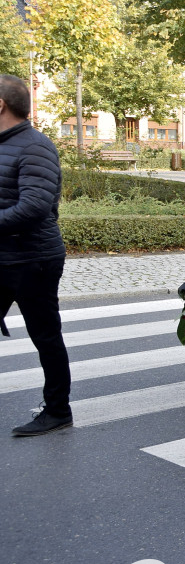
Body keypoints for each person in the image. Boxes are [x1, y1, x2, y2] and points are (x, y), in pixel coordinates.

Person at [0, 75, 74, 436]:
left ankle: (58, 410)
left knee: (45, 336)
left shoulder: (35, 146)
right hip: (5, 256)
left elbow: (33, 207)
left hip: (33, 259)